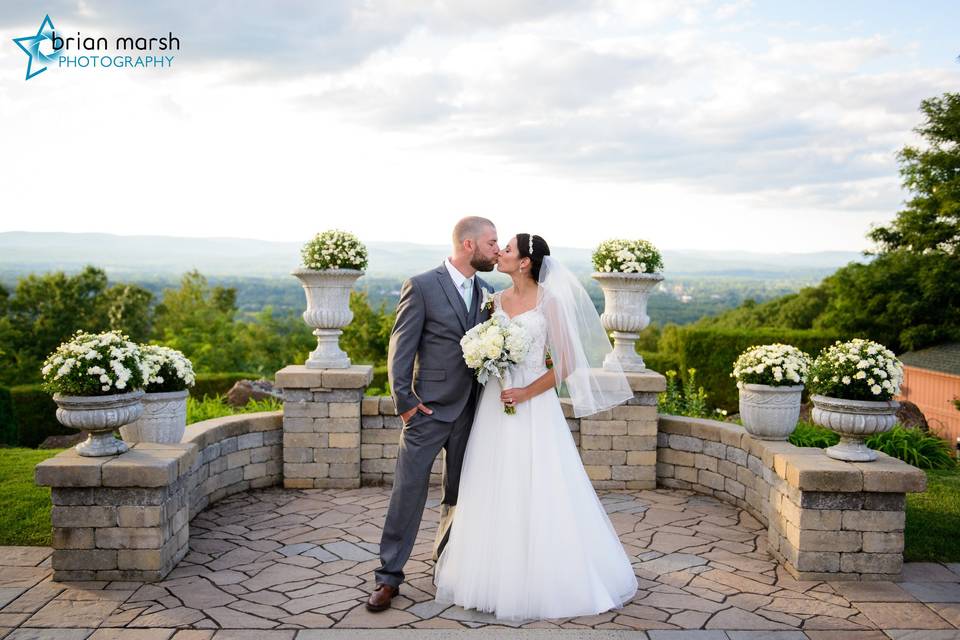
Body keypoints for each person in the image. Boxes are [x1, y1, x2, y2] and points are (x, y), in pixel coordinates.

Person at [433, 233, 639, 621]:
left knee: (539, 483)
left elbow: (565, 364)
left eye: (507, 249)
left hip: (533, 407)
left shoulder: (550, 302)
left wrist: (526, 391)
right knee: (494, 482)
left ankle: (545, 576)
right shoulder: (493, 301)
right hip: (496, 405)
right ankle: (492, 575)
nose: (500, 254)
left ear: (525, 261)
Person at [367, 216, 499, 612]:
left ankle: (447, 566)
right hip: (426, 411)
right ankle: (388, 578)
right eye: (492, 242)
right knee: (408, 492)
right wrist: (406, 404)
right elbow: (400, 349)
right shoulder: (422, 285)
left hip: (472, 411)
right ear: (469, 245)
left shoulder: (488, 291)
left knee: (458, 494)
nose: (497, 249)